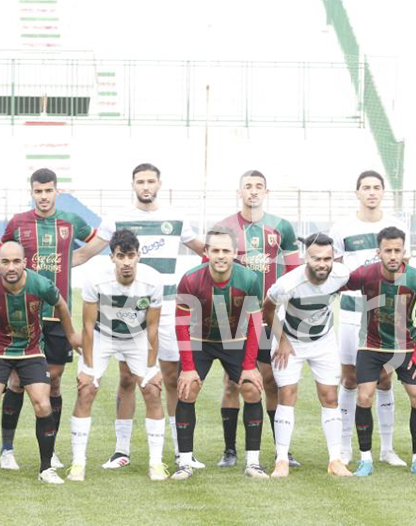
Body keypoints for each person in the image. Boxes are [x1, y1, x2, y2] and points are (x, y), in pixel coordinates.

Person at [70, 163, 206, 471]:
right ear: (133, 185)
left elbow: (206, 251)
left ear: (159, 184)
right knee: (127, 379)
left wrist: (236, 262)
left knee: (168, 379)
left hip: (165, 307)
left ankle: (182, 452)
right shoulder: (116, 218)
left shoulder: (176, 217)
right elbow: (86, 253)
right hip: (126, 309)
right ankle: (122, 450)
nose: (146, 186)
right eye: (140, 181)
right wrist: (49, 268)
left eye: (150, 181)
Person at [0, 168, 92, 470]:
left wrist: (75, 259)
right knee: (16, 381)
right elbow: (3, 254)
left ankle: (49, 451)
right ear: (32, 192)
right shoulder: (18, 222)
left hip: (57, 316)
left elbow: (95, 240)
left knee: (53, 381)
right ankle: (7, 449)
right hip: (23, 313)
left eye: (48, 190)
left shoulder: (71, 221)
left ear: (56, 191)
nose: (43, 196)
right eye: (38, 191)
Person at [213, 170, 300, 469]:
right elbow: (211, 272)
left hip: (269, 317)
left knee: (271, 382)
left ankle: (281, 451)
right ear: (239, 192)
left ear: (266, 191)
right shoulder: (224, 227)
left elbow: (294, 273)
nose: (253, 191)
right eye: (248, 186)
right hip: (234, 319)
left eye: (258, 186)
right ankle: (229, 451)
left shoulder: (281, 227)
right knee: (231, 382)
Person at [0, 241, 73, 485]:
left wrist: (72, 335)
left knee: (43, 404)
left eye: (16, 261)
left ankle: (46, 468)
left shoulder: (41, 285)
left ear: (25, 263)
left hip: (31, 350)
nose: (11, 267)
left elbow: (61, 305)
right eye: (5, 262)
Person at [71, 230, 168, 481]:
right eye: (120, 256)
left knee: (152, 389)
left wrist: (151, 368)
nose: (126, 262)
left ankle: (156, 463)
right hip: (103, 335)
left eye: (131, 256)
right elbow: (88, 326)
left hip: (137, 337)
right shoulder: (95, 280)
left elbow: (153, 327)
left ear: (139, 256)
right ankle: (78, 463)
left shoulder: (153, 280)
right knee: (86, 389)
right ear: (112, 257)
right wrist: (88, 369)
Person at [170, 228, 267, 480]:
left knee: (252, 389)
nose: (221, 255)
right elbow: (181, 325)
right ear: (206, 252)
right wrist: (188, 368)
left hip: (235, 340)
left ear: (235, 253)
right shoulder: (190, 279)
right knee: (187, 389)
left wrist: (249, 365)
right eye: (215, 250)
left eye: (226, 250)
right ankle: (184, 463)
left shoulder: (249, 279)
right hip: (199, 340)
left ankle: (253, 463)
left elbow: (255, 324)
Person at [342, 226, 416, 478]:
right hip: (370, 345)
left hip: (406, 347)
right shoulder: (365, 274)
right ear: (378, 252)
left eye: (397, 250)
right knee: (364, 397)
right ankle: (365, 460)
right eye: (388, 251)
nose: (393, 256)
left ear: (405, 252)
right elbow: (337, 283)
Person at [329, 170, 407, 467]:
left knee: (385, 378)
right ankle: (345, 447)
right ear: (357, 192)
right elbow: (336, 272)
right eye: (366, 187)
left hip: (385, 314)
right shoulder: (342, 228)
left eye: (376, 187)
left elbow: (402, 269)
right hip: (352, 312)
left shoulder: (397, 225)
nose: (371, 192)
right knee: (349, 378)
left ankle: (387, 449)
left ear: (383, 192)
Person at [262, 233, 354, 478]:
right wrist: (282, 340)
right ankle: (281, 460)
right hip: (290, 342)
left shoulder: (341, 275)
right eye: (316, 258)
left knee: (330, 396)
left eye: (327, 258)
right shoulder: (287, 284)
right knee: (286, 394)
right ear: (306, 258)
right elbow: (267, 309)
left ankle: (335, 460)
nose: (322, 264)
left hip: (323, 341)